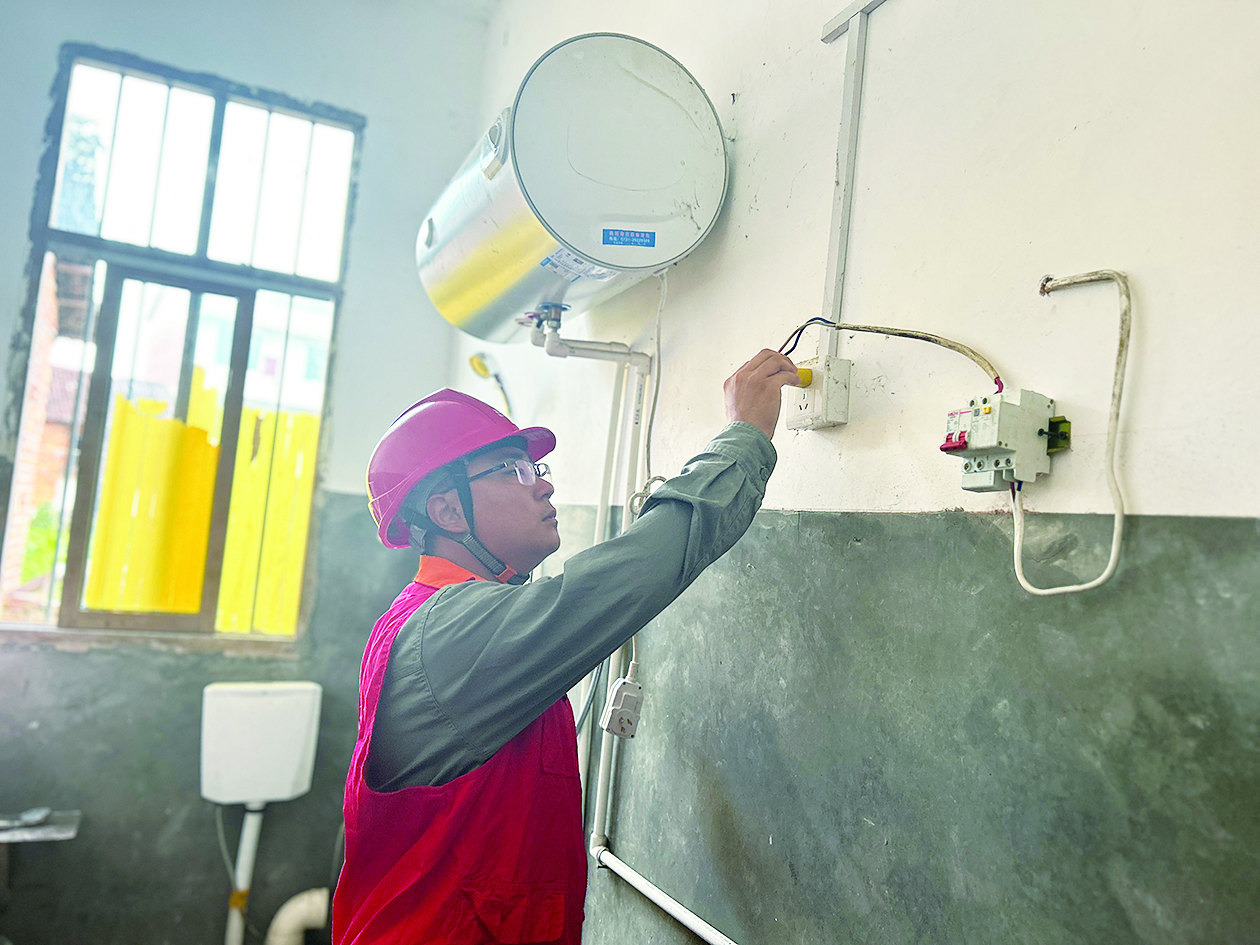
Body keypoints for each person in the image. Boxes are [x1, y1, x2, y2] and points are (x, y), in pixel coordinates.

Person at [332, 349, 801, 944]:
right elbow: (632, 571)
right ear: (448, 510)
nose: (544, 484)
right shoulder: (452, 634)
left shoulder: (444, 617)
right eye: (513, 470)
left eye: (536, 468)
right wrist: (744, 439)